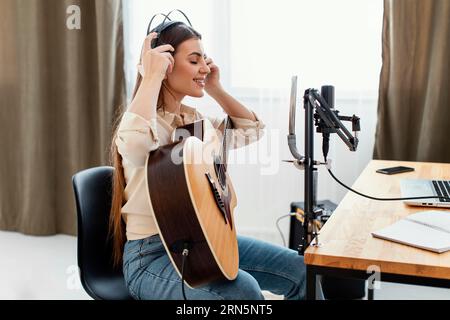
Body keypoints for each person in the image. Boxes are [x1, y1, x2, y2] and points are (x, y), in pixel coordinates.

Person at [109, 21, 306, 300]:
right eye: (194, 60)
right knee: (243, 293)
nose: (205, 67)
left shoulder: (195, 122)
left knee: (301, 269)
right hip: (151, 258)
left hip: (202, 242)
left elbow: (251, 130)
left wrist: (215, 89)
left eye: (204, 59)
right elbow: (135, 145)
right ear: (165, 65)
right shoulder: (143, 124)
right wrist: (150, 77)